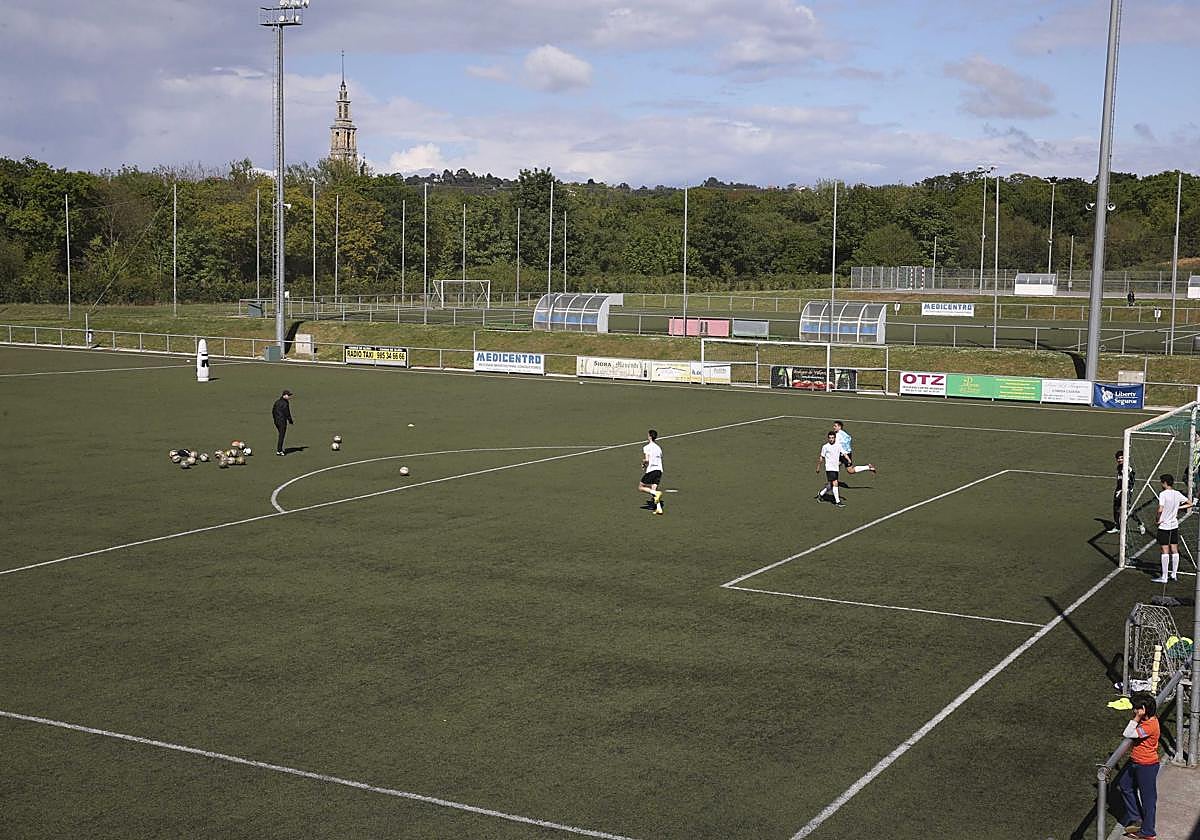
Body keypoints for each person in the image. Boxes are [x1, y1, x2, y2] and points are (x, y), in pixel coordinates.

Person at [1117, 692, 1160, 839]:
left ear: (1143, 709)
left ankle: (1148, 832)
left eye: (1136, 708)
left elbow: (1128, 733)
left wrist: (1136, 718)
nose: (1133, 710)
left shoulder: (1150, 725)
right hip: (1136, 762)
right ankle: (1137, 817)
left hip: (1146, 765)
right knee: (1125, 785)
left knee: (1148, 798)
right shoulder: (1146, 720)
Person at [1152, 473, 1191, 583]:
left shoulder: (1163, 494)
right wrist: (1178, 507)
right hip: (1174, 525)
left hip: (1164, 526)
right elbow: (1190, 503)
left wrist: (1157, 519)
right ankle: (1174, 574)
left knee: (1165, 550)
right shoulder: (1177, 493)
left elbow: (1160, 509)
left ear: (1164, 483)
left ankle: (1164, 577)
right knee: (1174, 550)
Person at [1108, 451, 1147, 536]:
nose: (1119, 460)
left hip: (1126, 491)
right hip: (1118, 490)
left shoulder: (1128, 468)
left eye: (1121, 458)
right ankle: (1117, 526)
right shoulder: (1119, 467)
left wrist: (1124, 491)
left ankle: (1140, 524)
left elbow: (1130, 482)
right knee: (1116, 508)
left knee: (1127, 510)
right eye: (1118, 458)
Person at [816, 430, 846, 508]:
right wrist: (818, 467)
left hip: (836, 468)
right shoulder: (825, 447)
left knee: (831, 485)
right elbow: (821, 457)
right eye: (830, 438)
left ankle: (821, 494)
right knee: (835, 483)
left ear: (835, 438)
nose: (831, 439)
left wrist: (848, 460)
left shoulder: (838, 446)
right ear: (828, 438)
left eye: (832, 438)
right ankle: (838, 501)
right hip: (829, 468)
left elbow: (843, 453)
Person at [638, 429, 664, 515]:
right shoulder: (659, 448)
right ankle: (659, 508)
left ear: (649, 436)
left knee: (641, 487)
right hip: (659, 470)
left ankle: (656, 493)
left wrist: (643, 463)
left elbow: (647, 460)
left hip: (651, 470)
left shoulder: (647, 447)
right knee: (653, 488)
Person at [272, 389, 294, 456]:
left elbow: (273, 411)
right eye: (288, 395)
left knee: (280, 435)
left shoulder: (277, 402)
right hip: (282, 422)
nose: (289, 397)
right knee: (281, 436)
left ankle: (279, 449)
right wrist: (290, 420)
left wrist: (275, 419)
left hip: (276, 421)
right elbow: (287, 412)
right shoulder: (285, 403)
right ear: (284, 395)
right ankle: (279, 450)